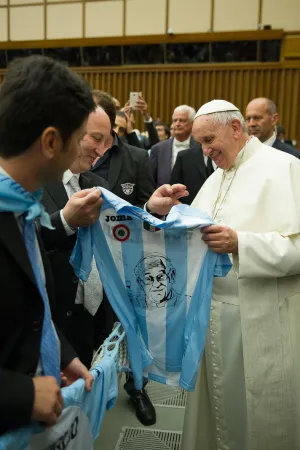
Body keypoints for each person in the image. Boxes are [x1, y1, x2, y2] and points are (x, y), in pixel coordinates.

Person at [146, 99, 300, 449]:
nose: (205, 150)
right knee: (220, 413)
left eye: (209, 139)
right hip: (213, 318)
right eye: (200, 143)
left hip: (262, 318)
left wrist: (240, 243)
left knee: (258, 414)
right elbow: (189, 243)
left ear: (235, 128)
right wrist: (162, 212)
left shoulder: (286, 168)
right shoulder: (217, 178)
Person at [0, 56, 95, 435]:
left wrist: (61, 352)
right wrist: (20, 394)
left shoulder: (22, 206)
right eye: (81, 137)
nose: (84, 149)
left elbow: (25, 305)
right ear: (52, 141)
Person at [88, 93, 156, 426]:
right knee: (87, 332)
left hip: (125, 264)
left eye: (100, 137)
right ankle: (88, 392)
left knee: (131, 329)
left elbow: (149, 211)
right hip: (84, 266)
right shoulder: (70, 157)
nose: (94, 146)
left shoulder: (137, 158)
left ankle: (137, 387)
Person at [41, 107, 111, 368]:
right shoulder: (34, 181)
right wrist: (65, 221)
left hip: (89, 312)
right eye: (95, 138)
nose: (101, 150)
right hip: (50, 317)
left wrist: (150, 209)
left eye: (106, 141)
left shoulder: (98, 184)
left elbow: (118, 234)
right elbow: (24, 239)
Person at [150, 105, 201, 187]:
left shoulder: (200, 147)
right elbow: (151, 180)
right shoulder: (158, 148)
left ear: (192, 124)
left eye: (182, 120)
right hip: (165, 197)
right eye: (175, 120)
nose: (177, 124)